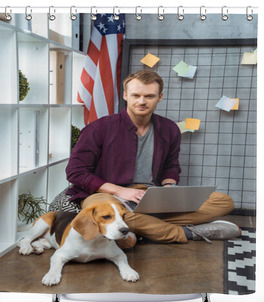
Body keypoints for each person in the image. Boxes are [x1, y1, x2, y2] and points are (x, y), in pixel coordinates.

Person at [63, 70, 241, 247]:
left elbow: (171, 166)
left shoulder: (170, 129)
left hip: (149, 195)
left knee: (223, 201)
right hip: (106, 195)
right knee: (110, 215)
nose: (141, 101)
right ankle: (188, 232)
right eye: (135, 95)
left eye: (149, 96)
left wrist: (170, 187)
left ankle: (140, 228)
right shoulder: (99, 128)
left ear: (160, 97)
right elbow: (75, 172)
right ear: (125, 95)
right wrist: (120, 191)